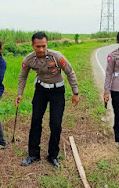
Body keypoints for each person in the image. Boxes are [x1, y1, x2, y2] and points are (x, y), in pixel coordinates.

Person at [15, 32, 79, 168]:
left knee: (55, 124)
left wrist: (75, 92)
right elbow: (22, 77)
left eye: (44, 46)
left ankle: (53, 155)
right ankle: (33, 154)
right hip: (41, 91)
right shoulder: (28, 59)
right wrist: (19, 94)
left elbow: (70, 72)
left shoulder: (57, 57)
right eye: (38, 46)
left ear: (47, 45)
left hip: (57, 91)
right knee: (36, 121)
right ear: (32, 46)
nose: (41, 49)